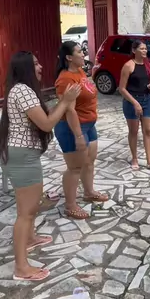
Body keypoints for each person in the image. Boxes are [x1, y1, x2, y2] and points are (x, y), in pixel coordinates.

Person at [0, 51, 81, 281]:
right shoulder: (22, 90)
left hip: (23, 155)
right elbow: (46, 124)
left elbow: (43, 116)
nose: (40, 66)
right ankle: (21, 267)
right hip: (23, 158)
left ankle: (30, 239)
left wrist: (63, 103)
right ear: (25, 68)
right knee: (26, 212)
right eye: (35, 63)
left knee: (29, 207)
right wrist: (65, 101)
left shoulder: (21, 90)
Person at [54, 41, 109, 219]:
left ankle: (88, 192)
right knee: (74, 168)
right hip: (72, 127)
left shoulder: (79, 71)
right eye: (79, 51)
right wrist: (78, 136)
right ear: (69, 57)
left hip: (88, 124)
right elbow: (69, 110)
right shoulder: (65, 79)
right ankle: (70, 206)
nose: (83, 53)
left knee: (89, 161)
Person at [119, 40, 150, 171]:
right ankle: (134, 158)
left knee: (148, 130)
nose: (144, 51)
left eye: (145, 48)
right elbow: (122, 89)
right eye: (142, 48)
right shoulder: (128, 66)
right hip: (131, 101)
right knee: (133, 131)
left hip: (147, 99)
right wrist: (135, 103)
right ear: (134, 51)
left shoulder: (148, 65)